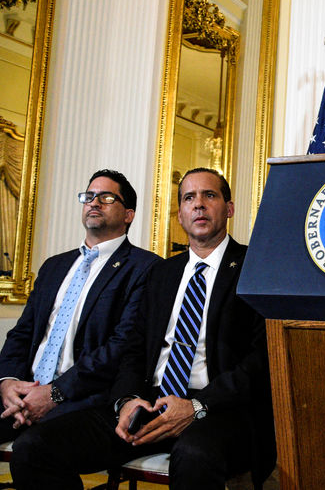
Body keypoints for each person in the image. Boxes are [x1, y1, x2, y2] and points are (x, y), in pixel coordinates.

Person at [10, 168, 276, 490]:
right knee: (34, 448)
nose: (199, 205)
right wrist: (127, 401)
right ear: (180, 215)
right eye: (189, 198)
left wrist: (196, 406)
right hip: (149, 403)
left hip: (215, 407)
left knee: (193, 456)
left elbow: (260, 360)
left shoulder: (255, 269)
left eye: (210, 195)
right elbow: (133, 349)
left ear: (229, 208)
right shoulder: (162, 272)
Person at [0, 169, 159, 436]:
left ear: (128, 214)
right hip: (24, 389)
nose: (94, 203)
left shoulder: (145, 267)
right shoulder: (54, 266)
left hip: (82, 397)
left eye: (107, 198)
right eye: (89, 197)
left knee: (36, 448)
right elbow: (23, 332)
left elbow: (120, 346)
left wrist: (54, 393)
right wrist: (8, 383)